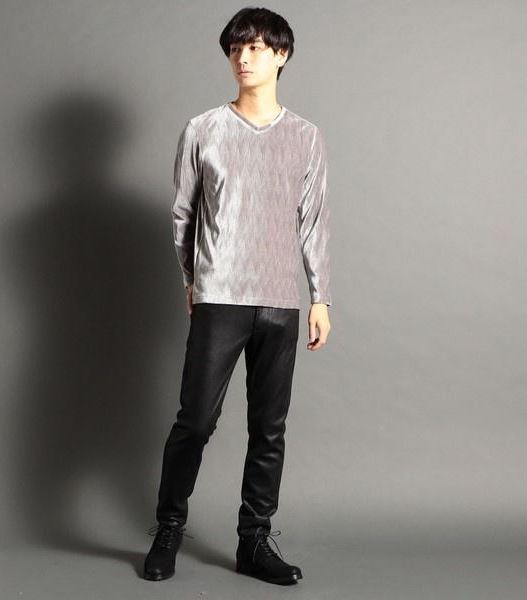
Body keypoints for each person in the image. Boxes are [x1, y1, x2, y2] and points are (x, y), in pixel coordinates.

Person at [144, 6, 331, 586]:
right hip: (220, 296)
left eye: (254, 47)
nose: (243, 58)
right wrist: (192, 280)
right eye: (234, 49)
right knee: (196, 421)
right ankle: (169, 528)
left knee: (269, 428)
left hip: (280, 301)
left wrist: (320, 296)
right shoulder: (203, 129)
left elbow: (313, 221)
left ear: (281, 55)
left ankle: (254, 541)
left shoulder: (306, 137)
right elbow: (183, 215)